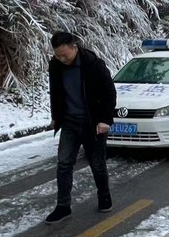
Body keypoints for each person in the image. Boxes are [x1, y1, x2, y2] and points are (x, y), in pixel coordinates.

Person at [45, 31, 117, 224]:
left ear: (74, 47)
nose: (61, 58)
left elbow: (110, 92)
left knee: (97, 164)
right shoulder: (55, 66)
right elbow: (56, 93)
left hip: (92, 123)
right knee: (64, 164)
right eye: (57, 55)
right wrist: (56, 116)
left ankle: (104, 196)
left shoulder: (93, 64)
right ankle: (63, 206)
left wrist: (105, 120)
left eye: (65, 55)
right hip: (69, 122)